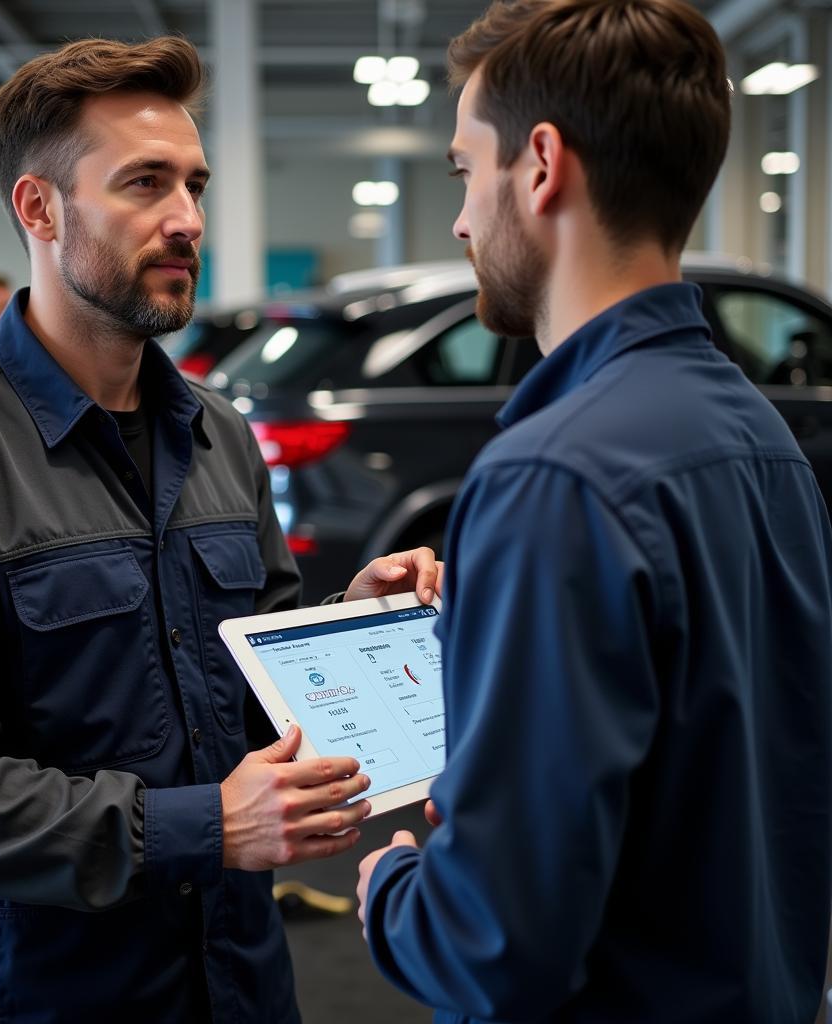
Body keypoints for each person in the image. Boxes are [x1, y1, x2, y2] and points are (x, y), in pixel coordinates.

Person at [0, 38, 441, 1024]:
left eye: (193, 184)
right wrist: (200, 826)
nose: (187, 218)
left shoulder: (218, 436)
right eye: (144, 183)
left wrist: (344, 627)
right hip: (50, 998)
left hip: (237, 984)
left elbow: (245, 685)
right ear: (38, 207)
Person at [356, 2, 832, 1022]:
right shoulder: (762, 439)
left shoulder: (551, 477)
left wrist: (392, 893)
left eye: (461, 172)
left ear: (538, 164)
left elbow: (492, 947)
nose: (458, 218)